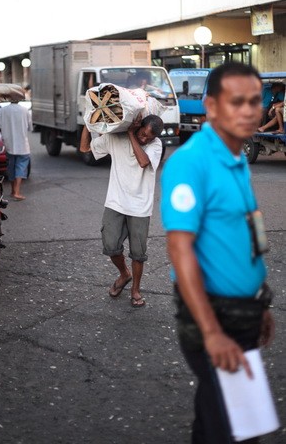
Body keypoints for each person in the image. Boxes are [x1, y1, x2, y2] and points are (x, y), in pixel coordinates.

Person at [160, 62, 275, 443]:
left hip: (243, 311)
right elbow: (179, 248)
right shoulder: (191, 162)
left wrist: (261, 305)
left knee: (214, 419)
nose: (248, 111)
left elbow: (242, 238)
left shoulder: (238, 154)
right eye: (236, 102)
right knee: (235, 430)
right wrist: (212, 333)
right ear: (211, 105)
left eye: (255, 101)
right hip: (213, 316)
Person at [80, 114, 163, 307]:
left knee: (138, 253)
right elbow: (85, 148)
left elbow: (143, 162)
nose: (145, 139)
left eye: (148, 137)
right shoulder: (115, 138)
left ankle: (135, 289)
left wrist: (132, 135)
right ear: (139, 126)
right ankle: (124, 273)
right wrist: (87, 124)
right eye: (143, 134)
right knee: (110, 245)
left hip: (140, 207)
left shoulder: (156, 145)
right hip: (116, 202)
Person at [0, 98, 31, 201]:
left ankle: (13, 191)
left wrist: (3, 129)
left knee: (11, 167)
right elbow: (30, 126)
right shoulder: (25, 110)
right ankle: (16, 192)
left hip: (9, 144)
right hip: (22, 145)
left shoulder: (4, 110)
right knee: (20, 167)